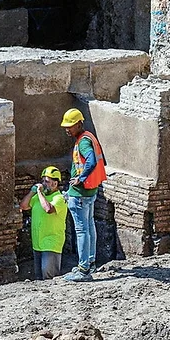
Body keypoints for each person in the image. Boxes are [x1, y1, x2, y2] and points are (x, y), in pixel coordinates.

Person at [60, 108, 107, 282]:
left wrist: (80, 178)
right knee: (89, 226)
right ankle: (90, 261)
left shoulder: (83, 142)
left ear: (79, 123)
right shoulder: (88, 136)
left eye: (70, 126)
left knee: (82, 231)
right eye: (66, 126)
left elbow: (91, 161)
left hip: (80, 193)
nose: (67, 129)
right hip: (90, 191)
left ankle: (83, 269)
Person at [19, 166, 68, 280]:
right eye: (43, 181)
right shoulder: (38, 197)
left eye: (46, 181)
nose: (43, 184)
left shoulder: (59, 198)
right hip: (38, 243)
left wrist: (40, 193)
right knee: (39, 277)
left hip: (51, 243)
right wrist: (32, 192)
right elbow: (23, 206)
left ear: (55, 184)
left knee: (49, 277)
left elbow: (48, 209)